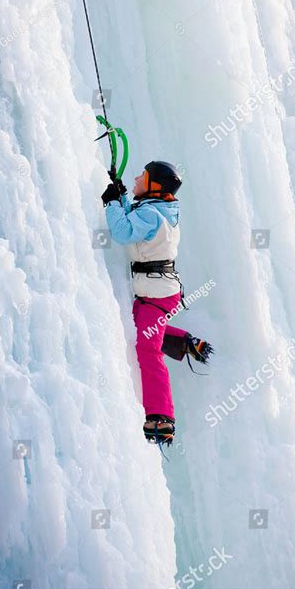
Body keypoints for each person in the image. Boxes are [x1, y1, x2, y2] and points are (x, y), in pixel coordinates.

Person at [101, 161, 212, 445]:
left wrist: (113, 203)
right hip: (158, 292)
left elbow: (124, 231)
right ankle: (184, 342)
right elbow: (136, 220)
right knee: (140, 327)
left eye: (143, 176)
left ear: (153, 186)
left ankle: (162, 417)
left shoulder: (152, 213)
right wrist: (122, 197)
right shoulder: (158, 210)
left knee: (147, 349)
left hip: (156, 296)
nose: (137, 177)